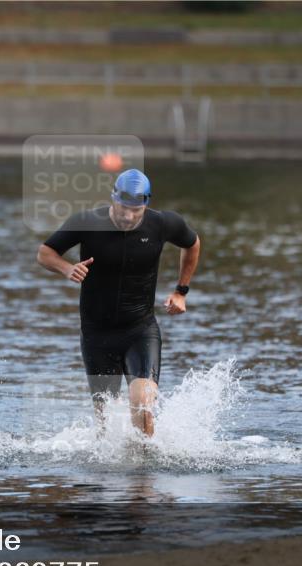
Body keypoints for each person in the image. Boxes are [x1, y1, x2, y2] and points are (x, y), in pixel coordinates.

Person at [36, 168, 201, 437]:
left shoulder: (162, 224)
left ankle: (144, 474)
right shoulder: (87, 221)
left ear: (146, 205)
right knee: (106, 425)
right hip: (96, 334)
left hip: (140, 330)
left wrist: (181, 291)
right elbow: (45, 253)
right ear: (114, 198)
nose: (128, 216)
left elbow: (192, 244)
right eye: (123, 208)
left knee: (143, 402)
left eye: (135, 211)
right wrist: (67, 269)